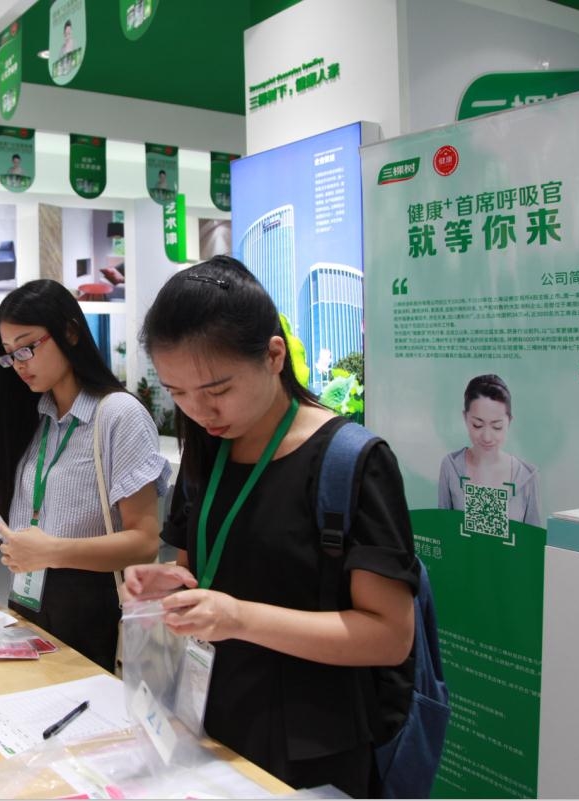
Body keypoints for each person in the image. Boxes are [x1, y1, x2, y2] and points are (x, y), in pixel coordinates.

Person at [122, 257, 417, 797]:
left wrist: (239, 617)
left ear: (274, 355)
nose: (200, 410)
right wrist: (167, 583)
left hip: (311, 744)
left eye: (217, 389)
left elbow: (390, 636)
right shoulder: (206, 450)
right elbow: (200, 568)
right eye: (177, 392)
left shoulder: (351, 463)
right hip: (208, 714)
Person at [0, 280, 166, 672]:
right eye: (9, 354)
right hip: (26, 602)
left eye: (27, 348)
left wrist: (53, 551)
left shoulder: (118, 415)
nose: (19, 363)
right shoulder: (33, 416)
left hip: (92, 610)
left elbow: (144, 541)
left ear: (70, 332)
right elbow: (7, 507)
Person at [438, 373, 540, 526]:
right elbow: (443, 528)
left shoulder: (527, 476)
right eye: (477, 425)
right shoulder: (451, 466)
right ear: (465, 418)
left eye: (497, 427)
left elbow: (533, 537)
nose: (487, 437)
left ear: (509, 422)